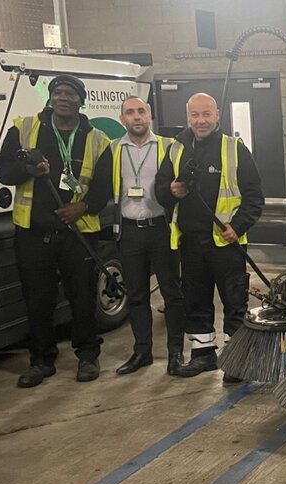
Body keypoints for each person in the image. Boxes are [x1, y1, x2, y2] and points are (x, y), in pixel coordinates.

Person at [0, 75, 110, 387]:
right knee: (37, 298)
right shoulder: (25, 127)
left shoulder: (97, 138)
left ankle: (87, 355)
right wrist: (26, 170)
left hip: (78, 233)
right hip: (33, 233)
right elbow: (3, 169)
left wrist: (82, 207)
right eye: (57, 92)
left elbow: (105, 187)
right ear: (50, 98)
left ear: (80, 100)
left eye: (70, 93)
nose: (63, 98)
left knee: (83, 297)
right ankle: (41, 361)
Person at [155, 93, 264, 382]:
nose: (201, 121)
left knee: (234, 302)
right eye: (195, 115)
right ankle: (203, 355)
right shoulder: (176, 150)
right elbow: (160, 191)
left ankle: (236, 360)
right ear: (188, 116)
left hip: (226, 242)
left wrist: (237, 226)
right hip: (190, 242)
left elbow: (254, 198)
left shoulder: (234, 149)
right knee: (196, 300)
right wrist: (172, 190)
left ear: (217, 116)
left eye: (206, 114)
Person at [85, 96, 187, 376]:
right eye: (130, 112)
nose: (136, 116)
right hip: (129, 232)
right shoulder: (114, 149)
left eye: (141, 111)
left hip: (163, 230)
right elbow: (100, 188)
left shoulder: (169, 146)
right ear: (122, 119)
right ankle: (142, 352)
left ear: (149, 115)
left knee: (172, 293)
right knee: (137, 296)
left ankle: (175, 354)